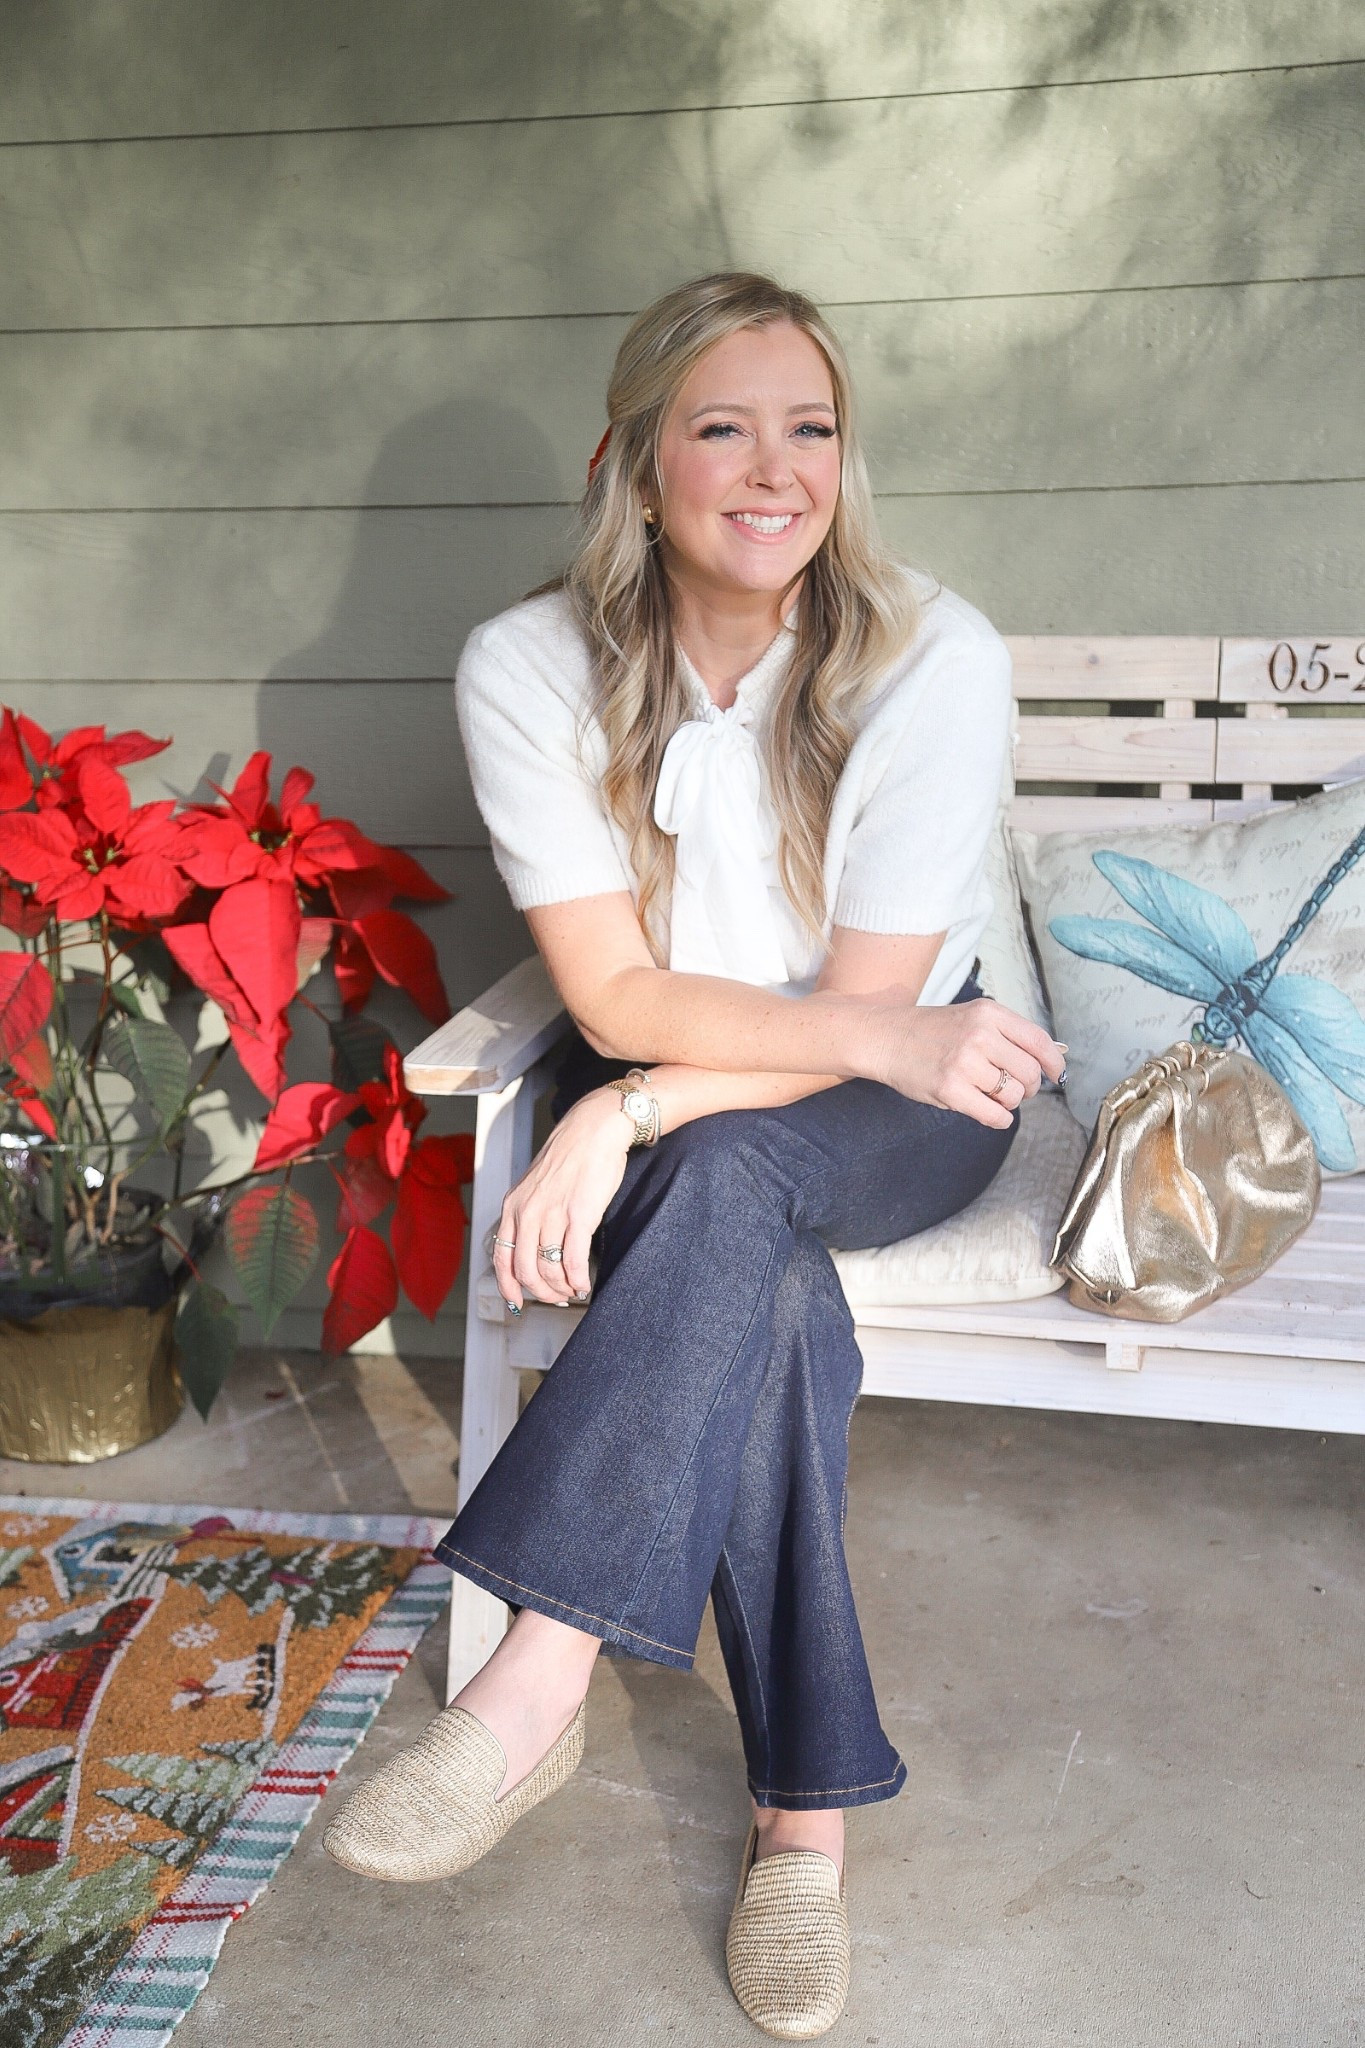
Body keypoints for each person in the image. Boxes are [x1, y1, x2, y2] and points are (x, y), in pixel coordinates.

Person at [324, 271, 1065, 2039]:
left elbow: (887, 1021)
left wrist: (627, 1109)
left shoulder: (931, 656)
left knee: (730, 1185)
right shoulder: (530, 665)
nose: (771, 469)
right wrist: (634, 1072)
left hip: (908, 1098)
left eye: (806, 428)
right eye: (719, 426)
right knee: (764, 1286)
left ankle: (529, 1682)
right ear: (632, 462)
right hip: (723, 1063)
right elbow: (614, 987)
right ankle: (802, 1830)